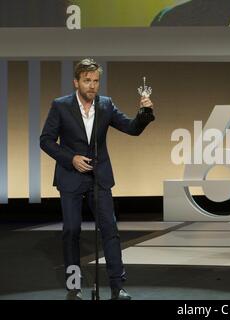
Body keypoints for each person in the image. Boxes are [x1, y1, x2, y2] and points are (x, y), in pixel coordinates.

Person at [40, 58, 155, 299]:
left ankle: (117, 286)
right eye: (87, 81)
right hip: (71, 177)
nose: (92, 85)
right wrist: (71, 158)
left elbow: (132, 128)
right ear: (76, 82)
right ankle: (74, 286)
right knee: (71, 231)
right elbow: (46, 140)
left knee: (110, 230)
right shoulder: (60, 106)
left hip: (99, 178)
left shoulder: (106, 105)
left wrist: (145, 112)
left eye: (95, 81)